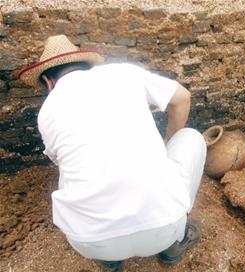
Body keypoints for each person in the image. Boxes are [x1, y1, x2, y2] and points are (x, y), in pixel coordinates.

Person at [18, 35, 207, 271]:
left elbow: (61, 162)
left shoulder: (46, 112)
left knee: (67, 171)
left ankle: (110, 261)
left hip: (90, 241)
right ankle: (173, 245)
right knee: (191, 138)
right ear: (88, 65)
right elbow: (182, 98)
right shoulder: (122, 73)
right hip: (163, 228)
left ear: (48, 82)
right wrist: (169, 139)